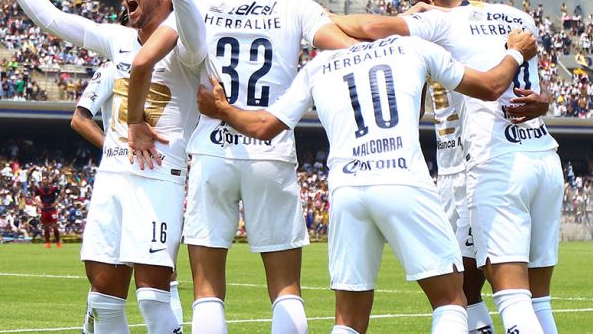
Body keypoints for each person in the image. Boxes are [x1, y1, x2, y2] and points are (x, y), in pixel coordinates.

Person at [197, 28, 537, 334]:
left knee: (348, 321)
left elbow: (263, 127)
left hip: (347, 190)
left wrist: (224, 110)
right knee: (450, 300)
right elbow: (491, 86)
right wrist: (516, 52)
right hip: (403, 179)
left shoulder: (320, 65)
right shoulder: (411, 47)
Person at [127, 0, 355, 334]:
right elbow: (345, 49)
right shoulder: (295, 6)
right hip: (270, 149)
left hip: (213, 151)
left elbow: (144, 59)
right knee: (286, 288)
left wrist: (135, 121)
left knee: (207, 289)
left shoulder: (199, 5)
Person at [0, 0, 199, 334]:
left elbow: (193, 31)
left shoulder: (187, 40)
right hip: (111, 177)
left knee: (153, 297)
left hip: (158, 179)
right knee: (103, 298)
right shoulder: (116, 40)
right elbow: (52, 19)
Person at [334, 0, 564, 334]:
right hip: (543, 156)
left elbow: (369, 27)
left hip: (494, 163)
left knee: (510, 295)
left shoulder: (442, 21)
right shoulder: (520, 17)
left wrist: (310, 16)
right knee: (535, 297)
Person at [394, 0, 496, 334]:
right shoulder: (423, 27)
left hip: (480, 165)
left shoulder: (473, 19)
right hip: (448, 169)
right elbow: (415, 104)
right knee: (454, 283)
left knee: (482, 280)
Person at [71, 61, 185, 332]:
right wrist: (117, 147)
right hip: (122, 176)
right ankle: (95, 314)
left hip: (158, 177)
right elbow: (80, 118)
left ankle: (97, 315)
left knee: (164, 272)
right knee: (108, 280)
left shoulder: (172, 66)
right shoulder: (113, 67)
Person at [34, 176, 62, 249]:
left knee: (54, 226)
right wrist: (39, 204)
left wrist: (56, 203)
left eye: (45, 179)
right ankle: (47, 243)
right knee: (46, 227)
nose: (44, 181)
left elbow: (62, 195)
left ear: (48, 180)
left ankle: (58, 242)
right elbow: (34, 197)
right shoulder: (39, 190)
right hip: (44, 209)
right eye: (43, 179)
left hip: (52, 208)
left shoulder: (53, 188)